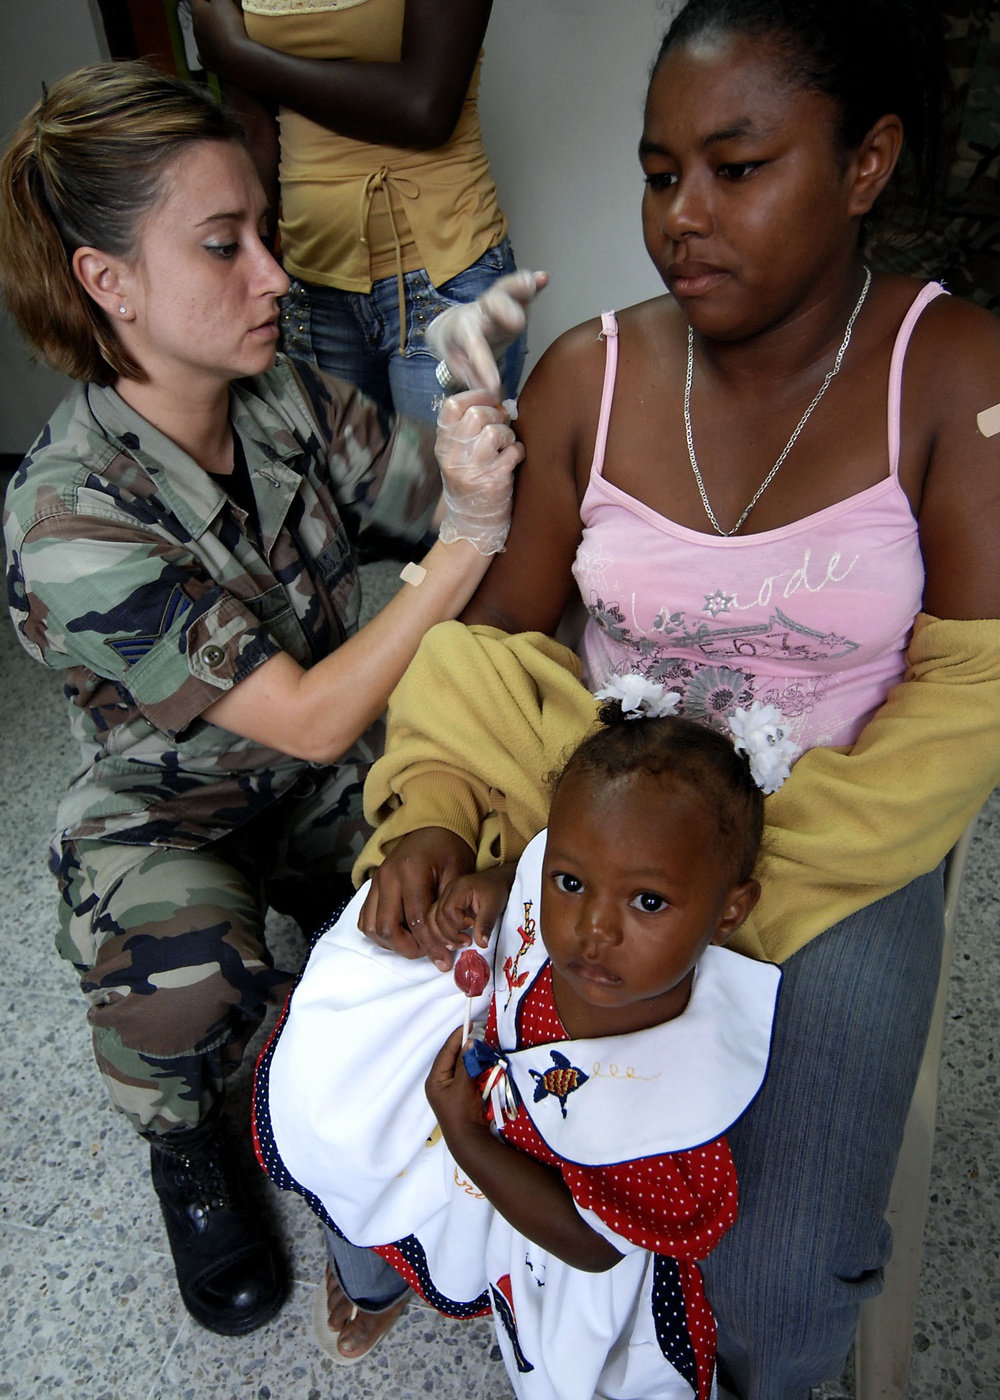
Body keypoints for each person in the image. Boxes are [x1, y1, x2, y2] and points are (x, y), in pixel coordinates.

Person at [340, 1, 1000, 1395]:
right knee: (382, 1075)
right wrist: (436, 810)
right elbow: (500, 640)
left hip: (836, 841)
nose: (683, 215)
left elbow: (968, 693)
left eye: (738, 167)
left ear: (866, 163)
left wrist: (740, 890)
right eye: (659, 172)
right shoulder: (592, 371)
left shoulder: (951, 376)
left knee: (773, 1272)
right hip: (598, 817)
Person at [0, 60, 525, 1338]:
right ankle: (184, 1140)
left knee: (478, 876)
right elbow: (309, 712)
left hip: (332, 764)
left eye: (266, 236)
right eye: (223, 246)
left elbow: (421, 493)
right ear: (106, 281)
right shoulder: (64, 516)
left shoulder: (279, 394)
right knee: (182, 977)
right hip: (174, 803)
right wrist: (462, 541)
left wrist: (478, 416)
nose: (277, 278)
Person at [254, 703, 782, 1392]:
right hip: (494, 1128)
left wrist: (470, 1140)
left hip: (552, 1242)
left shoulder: (675, 1097)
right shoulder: (575, 889)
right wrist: (496, 888)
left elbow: (595, 1247)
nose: (593, 928)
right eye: (572, 884)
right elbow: (533, 875)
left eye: (647, 903)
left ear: (730, 913)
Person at [189, 0, 528, 426]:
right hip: (313, 281)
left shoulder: (238, 51)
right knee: (343, 489)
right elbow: (254, 128)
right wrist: (243, 265)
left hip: (445, 275)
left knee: (447, 484)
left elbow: (425, 108)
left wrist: (240, 54)